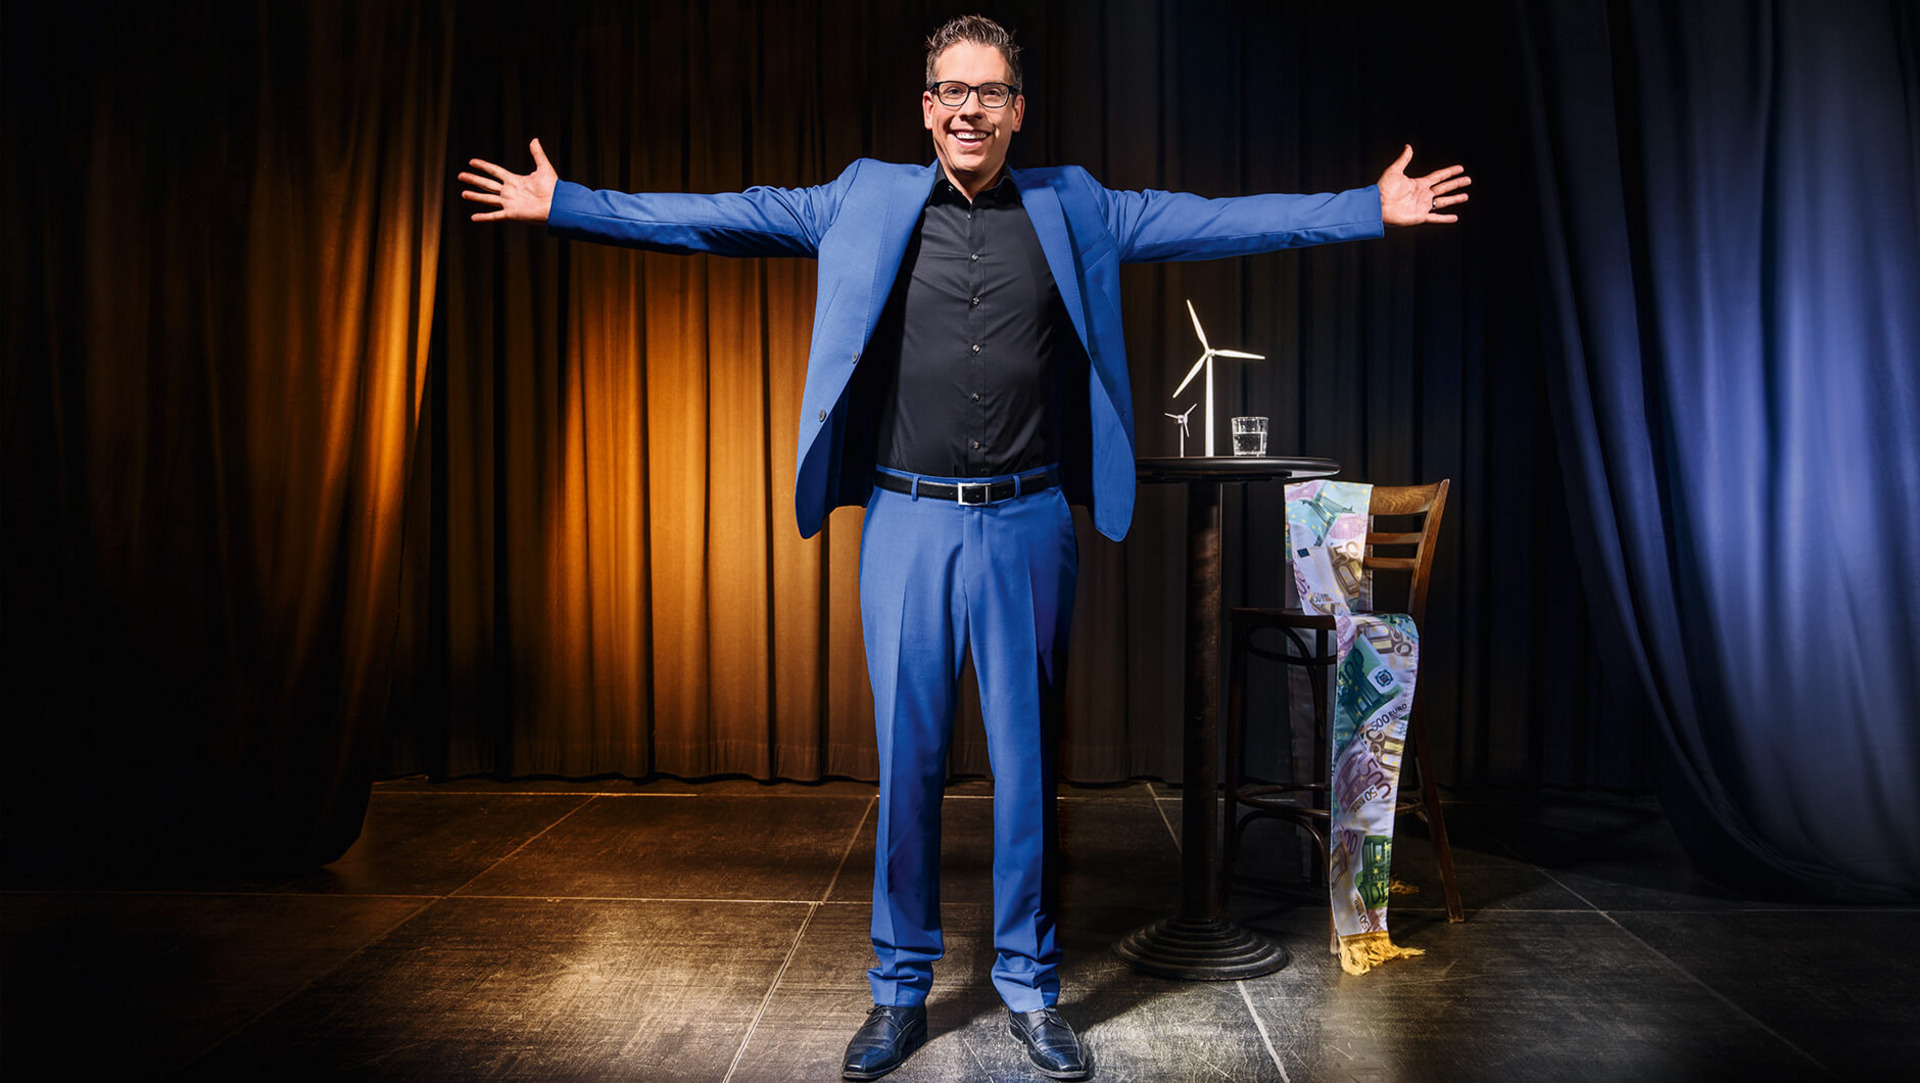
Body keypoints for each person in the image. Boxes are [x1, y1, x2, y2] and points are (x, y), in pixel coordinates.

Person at [460, 14, 1468, 1081]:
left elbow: (1220, 221)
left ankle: (1031, 985)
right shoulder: (861, 198)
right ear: (927, 106)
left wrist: (1368, 208)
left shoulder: (1076, 204)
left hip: (1028, 524)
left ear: (1017, 110)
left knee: (1028, 774)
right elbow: (718, 216)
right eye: (951, 90)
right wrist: (566, 203)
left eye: (989, 92)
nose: (969, 109)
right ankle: (899, 988)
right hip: (906, 523)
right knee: (910, 768)